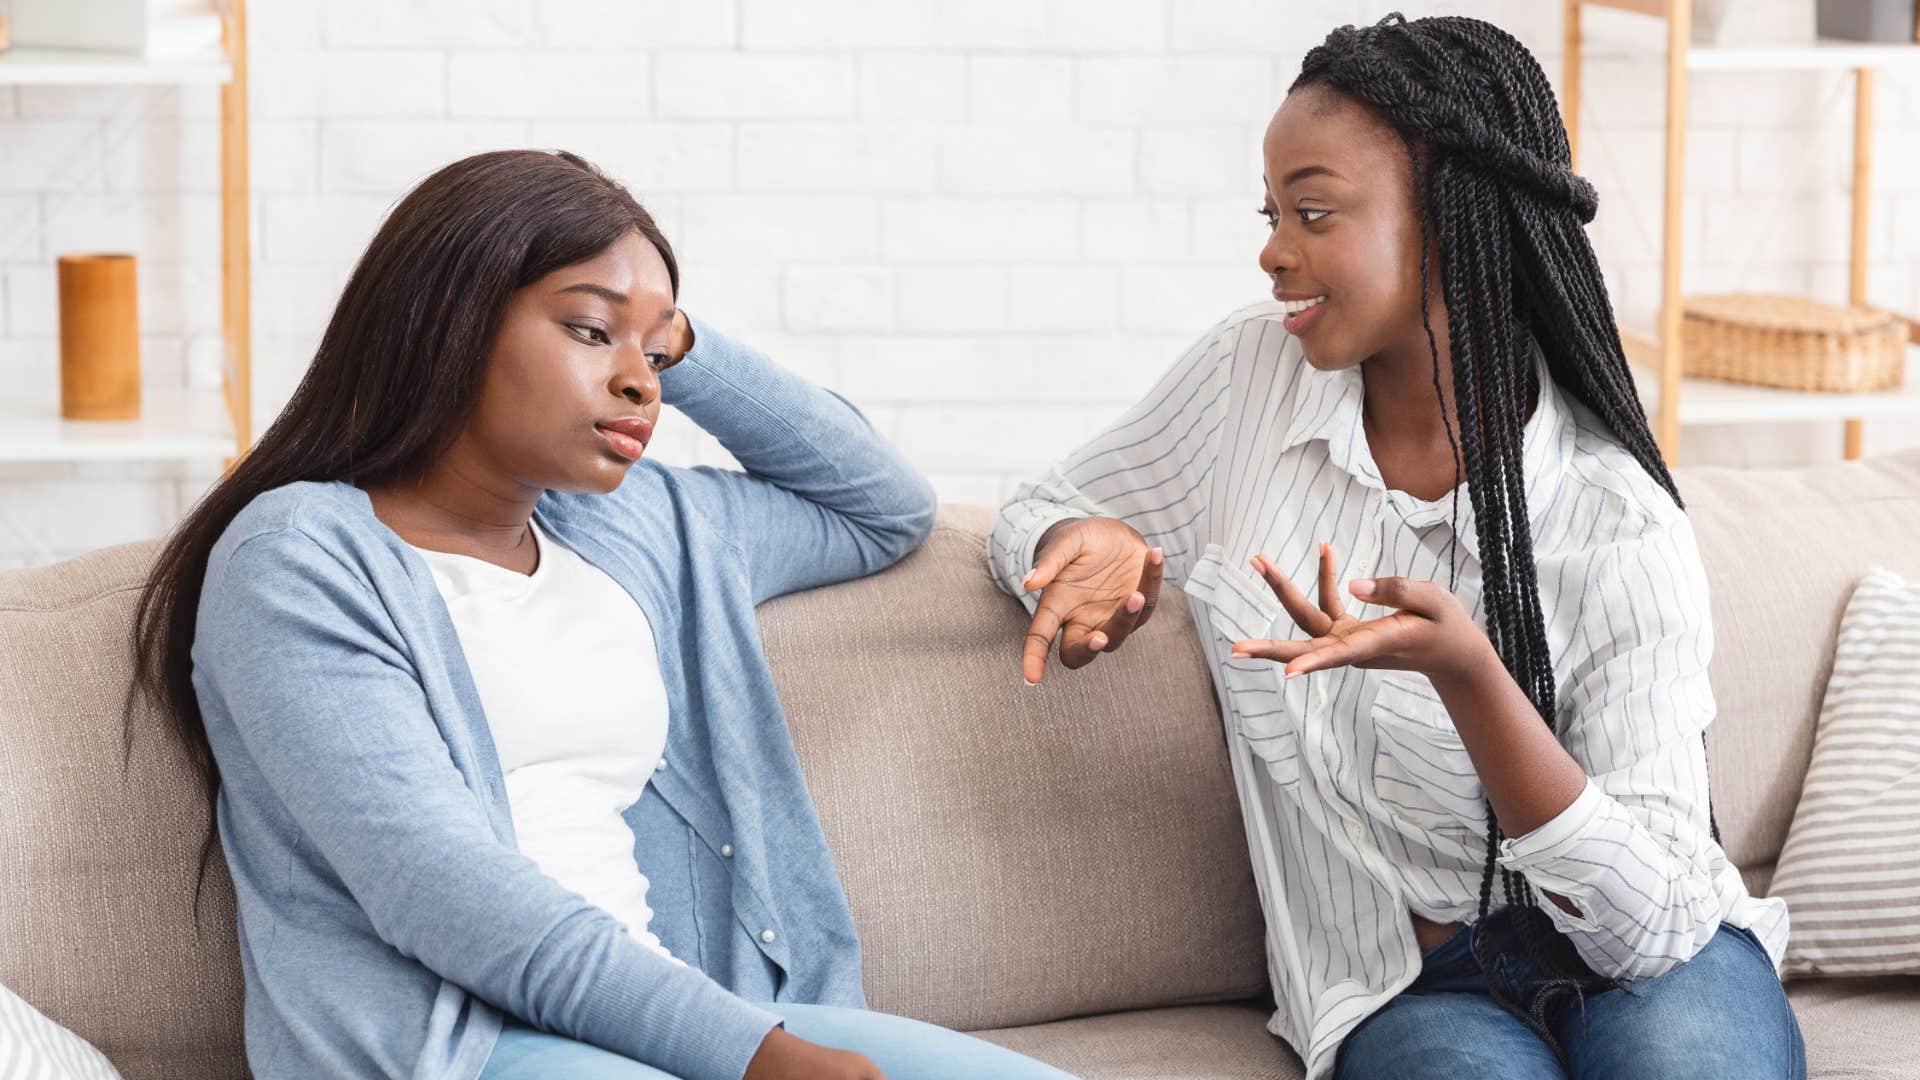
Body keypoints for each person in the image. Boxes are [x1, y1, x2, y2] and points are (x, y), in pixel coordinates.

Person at [133, 149, 1076, 1080]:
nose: (642, 381)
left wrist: (676, 336)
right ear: (449, 318)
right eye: (591, 330)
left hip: (687, 1019)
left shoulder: (646, 527)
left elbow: (885, 507)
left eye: (657, 352)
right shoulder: (297, 557)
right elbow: (441, 893)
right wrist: (758, 1058)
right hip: (454, 1051)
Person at [989, 15, 1802, 1080]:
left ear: (1451, 216)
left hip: (1653, 963)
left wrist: (1471, 675)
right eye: (1272, 211)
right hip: (1401, 983)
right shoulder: (1252, 378)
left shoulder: (1614, 517)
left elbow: (1646, 930)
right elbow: (1042, 504)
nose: (1273, 248)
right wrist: (1078, 539)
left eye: (1314, 212)